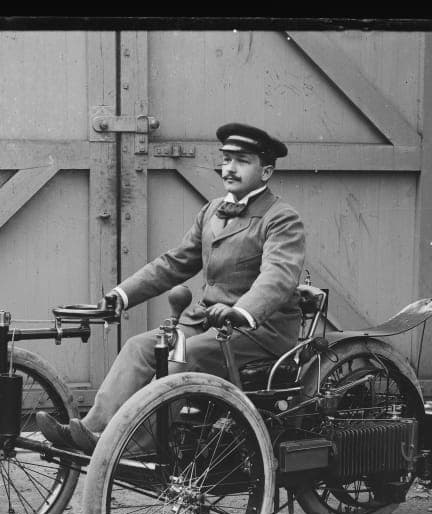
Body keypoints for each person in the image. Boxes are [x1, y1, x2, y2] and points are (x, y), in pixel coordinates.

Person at [37, 122, 306, 453]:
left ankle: (129, 445)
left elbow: (278, 276)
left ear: (265, 172)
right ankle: (93, 429)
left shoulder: (281, 218)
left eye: (242, 160)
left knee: (184, 355)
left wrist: (241, 311)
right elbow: (174, 262)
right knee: (139, 346)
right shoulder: (211, 212)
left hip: (257, 330)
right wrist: (121, 296)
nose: (230, 168)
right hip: (208, 323)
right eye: (226, 159)